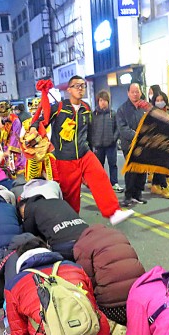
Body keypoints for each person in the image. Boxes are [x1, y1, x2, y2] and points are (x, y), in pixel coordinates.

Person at [32, 76, 133, 226]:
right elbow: (41, 120)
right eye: (76, 85)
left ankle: (113, 212)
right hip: (64, 158)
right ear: (69, 89)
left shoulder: (86, 109)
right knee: (70, 195)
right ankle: (71, 223)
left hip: (85, 153)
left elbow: (89, 133)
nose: (80, 88)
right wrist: (34, 128)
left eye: (83, 86)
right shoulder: (59, 108)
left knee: (100, 177)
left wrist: (93, 149)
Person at [73, 224, 145, 325]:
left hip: (112, 308)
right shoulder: (118, 234)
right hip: (139, 298)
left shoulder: (81, 245)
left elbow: (87, 280)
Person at [18, 194, 89, 261]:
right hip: (87, 237)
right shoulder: (58, 201)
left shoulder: (30, 208)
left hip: (65, 246)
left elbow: (29, 235)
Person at [115, 83, 151, 207]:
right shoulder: (122, 109)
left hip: (143, 145)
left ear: (141, 92)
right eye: (133, 92)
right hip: (129, 145)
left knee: (142, 170)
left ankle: (138, 194)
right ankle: (128, 196)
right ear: (128, 93)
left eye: (137, 91)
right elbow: (123, 128)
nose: (135, 94)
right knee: (132, 170)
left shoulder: (145, 107)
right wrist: (137, 136)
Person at [88, 90, 123, 193]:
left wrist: (114, 138)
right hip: (98, 145)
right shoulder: (94, 115)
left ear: (108, 101)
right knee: (99, 166)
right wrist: (93, 142)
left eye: (105, 100)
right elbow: (90, 129)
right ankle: (101, 183)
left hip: (111, 145)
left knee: (113, 164)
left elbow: (118, 128)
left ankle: (114, 183)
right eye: (101, 100)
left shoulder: (113, 114)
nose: (103, 102)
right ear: (98, 101)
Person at [148, 90, 169, 199]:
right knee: (161, 165)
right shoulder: (151, 113)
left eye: (161, 100)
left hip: (168, 142)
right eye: (157, 100)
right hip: (155, 143)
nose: (159, 102)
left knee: (161, 165)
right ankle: (164, 187)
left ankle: (155, 185)